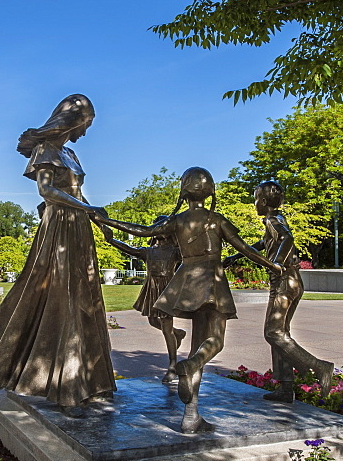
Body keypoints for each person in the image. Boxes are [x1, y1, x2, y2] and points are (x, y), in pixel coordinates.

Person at [95, 167, 281, 433]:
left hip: (186, 282)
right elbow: (244, 248)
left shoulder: (178, 221)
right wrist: (272, 266)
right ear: (210, 191)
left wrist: (106, 221)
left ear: (184, 192)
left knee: (198, 344)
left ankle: (191, 414)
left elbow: (142, 231)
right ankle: (191, 366)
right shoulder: (217, 220)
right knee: (213, 342)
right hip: (212, 282)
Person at [0, 94, 115, 414]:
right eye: (87, 124)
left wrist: (97, 220)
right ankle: (65, 386)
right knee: (61, 298)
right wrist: (89, 209)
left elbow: (77, 193)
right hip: (60, 227)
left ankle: (90, 380)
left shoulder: (71, 153)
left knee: (84, 299)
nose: (87, 131)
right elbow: (47, 192)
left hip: (79, 228)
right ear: (75, 120)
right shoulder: (46, 150)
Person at [224, 180, 334, 403]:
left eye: (255, 199)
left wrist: (275, 263)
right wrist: (236, 257)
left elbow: (287, 238)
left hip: (284, 282)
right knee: (281, 335)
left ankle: (319, 368)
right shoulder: (276, 219)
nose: (254, 203)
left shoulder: (273, 220)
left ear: (263, 202)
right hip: (292, 281)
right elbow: (265, 243)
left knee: (273, 333)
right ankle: (285, 389)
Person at [100, 217, 186, 382]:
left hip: (167, 289)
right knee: (153, 322)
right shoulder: (149, 251)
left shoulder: (176, 251)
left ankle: (172, 366)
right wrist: (111, 240)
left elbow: (191, 256)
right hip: (151, 288)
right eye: (157, 227)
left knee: (166, 327)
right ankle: (178, 334)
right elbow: (129, 249)